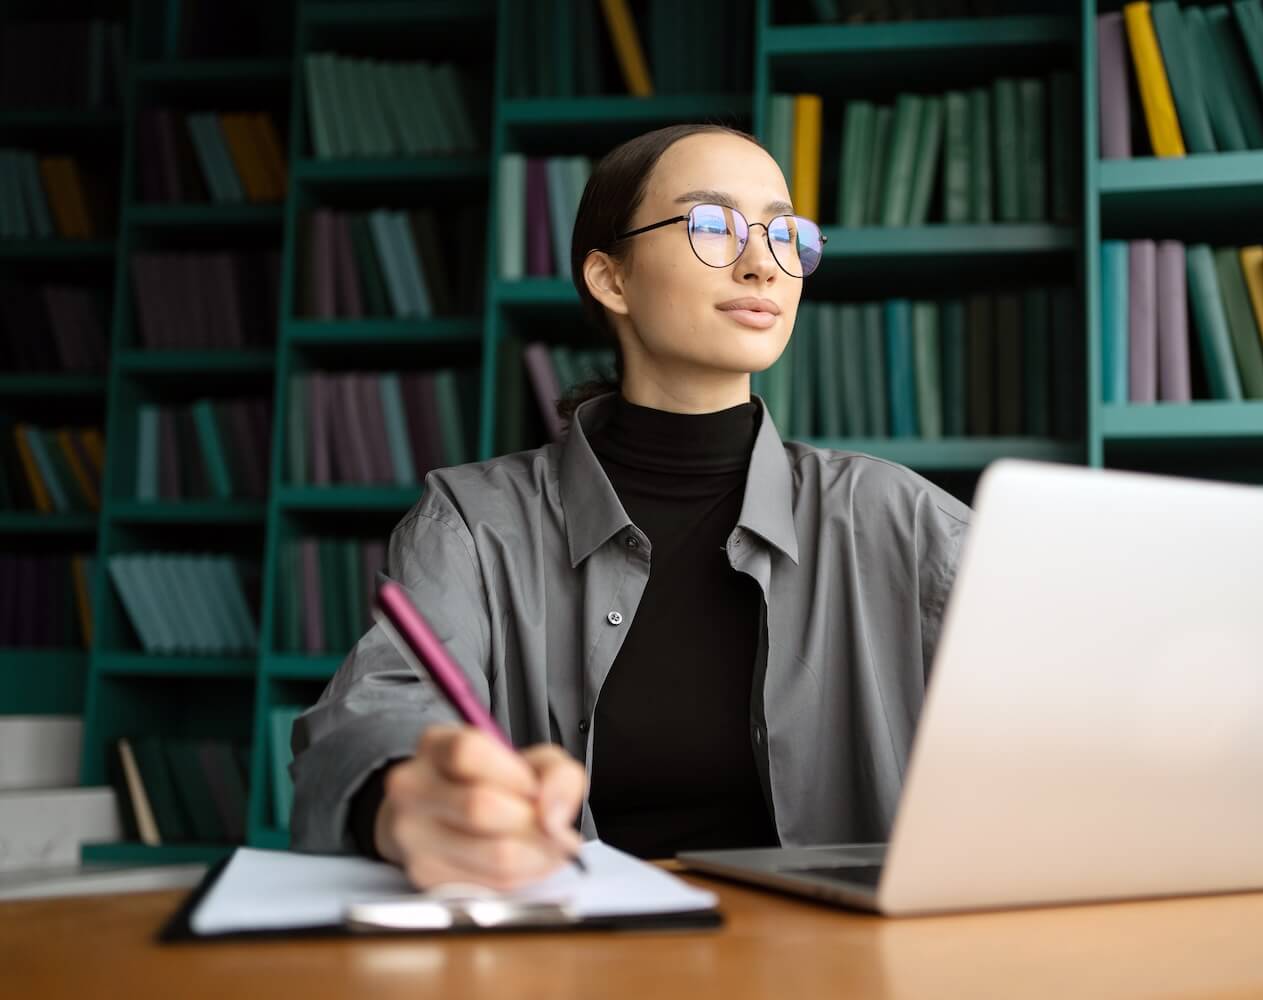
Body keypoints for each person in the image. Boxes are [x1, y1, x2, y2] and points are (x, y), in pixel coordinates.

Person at [290, 123, 971, 891]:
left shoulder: (897, 514)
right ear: (611, 279)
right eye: (712, 225)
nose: (762, 265)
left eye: (785, 234)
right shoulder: (474, 520)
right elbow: (372, 714)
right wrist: (405, 795)